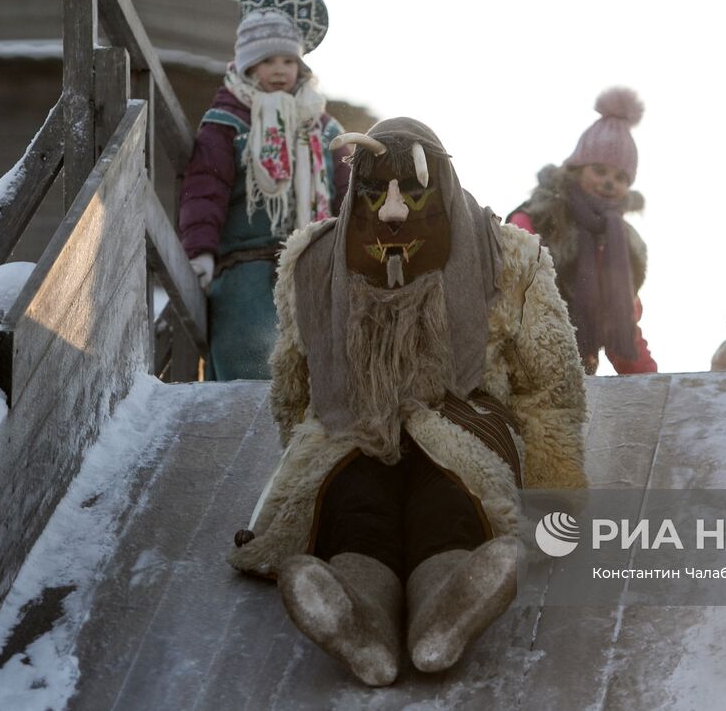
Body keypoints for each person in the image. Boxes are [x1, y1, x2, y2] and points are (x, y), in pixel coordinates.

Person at [228, 118, 587, 686]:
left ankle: (448, 606)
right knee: (354, 504)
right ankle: (355, 615)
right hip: (351, 427)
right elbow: (293, 382)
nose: (394, 213)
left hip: (462, 422)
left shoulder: (507, 258)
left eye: (413, 193)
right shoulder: (317, 262)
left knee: (446, 503)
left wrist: (556, 489)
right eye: (376, 193)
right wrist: (301, 464)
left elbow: (551, 386)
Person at [178, 0, 348, 380]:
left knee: (314, 369)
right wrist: (200, 250)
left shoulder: (324, 129)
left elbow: (347, 192)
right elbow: (206, 188)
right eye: (267, 60)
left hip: (312, 268)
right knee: (249, 365)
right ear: (249, 65)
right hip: (245, 267)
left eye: (288, 60)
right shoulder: (227, 123)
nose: (279, 70)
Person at [508, 88, 657, 376]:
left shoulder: (621, 244)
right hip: (521, 364)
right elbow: (508, 288)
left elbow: (622, 324)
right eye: (599, 170)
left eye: (620, 177)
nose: (609, 183)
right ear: (577, 168)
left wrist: (655, 384)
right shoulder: (537, 218)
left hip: (576, 376)